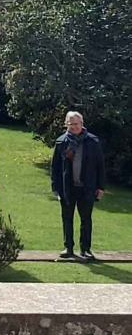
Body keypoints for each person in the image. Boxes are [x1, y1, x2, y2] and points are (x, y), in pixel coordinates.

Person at [51, 111, 105, 261]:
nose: (73, 127)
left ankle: (85, 249)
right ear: (66, 124)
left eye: (76, 124)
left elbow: (100, 166)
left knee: (86, 219)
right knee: (67, 218)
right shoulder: (61, 142)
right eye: (70, 124)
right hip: (67, 188)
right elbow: (54, 167)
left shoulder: (92, 142)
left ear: (82, 124)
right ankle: (68, 247)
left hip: (87, 187)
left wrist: (100, 187)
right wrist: (55, 188)